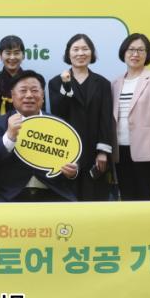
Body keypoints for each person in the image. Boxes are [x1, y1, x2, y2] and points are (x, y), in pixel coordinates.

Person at [0, 70, 78, 202]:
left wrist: (72, 172)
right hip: (11, 196)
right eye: (23, 91)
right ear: (12, 95)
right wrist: (10, 136)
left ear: (42, 95)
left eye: (35, 90)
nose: (29, 95)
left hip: (53, 193)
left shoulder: (58, 124)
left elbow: (72, 157)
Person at [49, 34, 115, 201]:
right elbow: (58, 114)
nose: (80, 53)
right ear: (68, 53)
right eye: (76, 49)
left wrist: (103, 152)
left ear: (92, 53)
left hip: (94, 150)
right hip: (66, 149)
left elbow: (106, 118)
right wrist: (66, 86)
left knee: (95, 196)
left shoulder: (103, 83)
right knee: (68, 197)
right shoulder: (55, 82)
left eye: (85, 49)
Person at [112, 33, 150, 200]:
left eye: (140, 50)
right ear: (124, 52)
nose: (135, 54)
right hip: (120, 149)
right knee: (126, 197)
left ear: (147, 54)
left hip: (146, 148)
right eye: (131, 49)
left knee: (145, 196)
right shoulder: (115, 83)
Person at [0, 35, 26, 116]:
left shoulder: (30, 79)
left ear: (23, 56)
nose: (12, 57)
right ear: (0, 55)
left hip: (27, 122)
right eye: (8, 53)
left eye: (16, 53)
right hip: (2, 123)